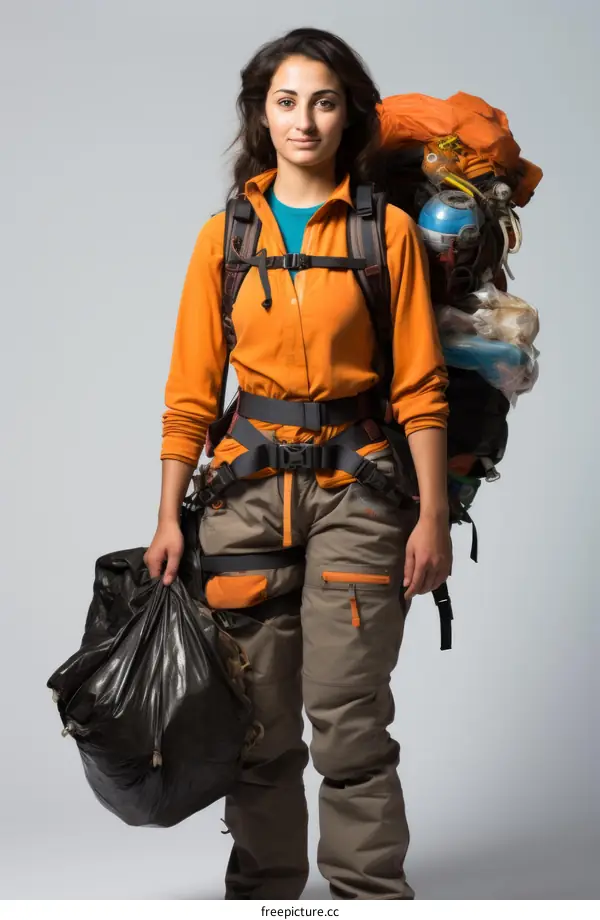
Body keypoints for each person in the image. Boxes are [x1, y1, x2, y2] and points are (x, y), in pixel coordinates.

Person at [144, 26, 452, 901]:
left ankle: (366, 896)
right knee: (259, 724)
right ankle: (271, 896)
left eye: (322, 100)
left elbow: (421, 389)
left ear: (348, 111)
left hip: (361, 494)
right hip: (243, 500)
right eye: (286, 101)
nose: (304, 120)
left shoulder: (384, 232)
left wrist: (431, 517)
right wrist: (169, 517)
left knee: (349, 719)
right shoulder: (224, 237)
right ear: (262, 114)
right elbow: (190, 395)